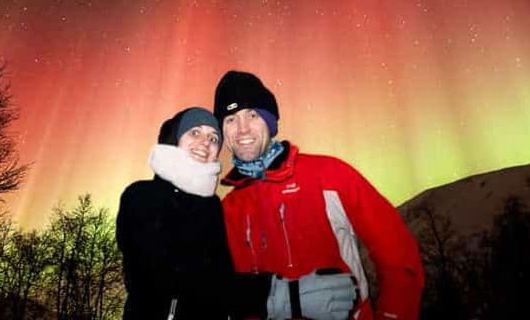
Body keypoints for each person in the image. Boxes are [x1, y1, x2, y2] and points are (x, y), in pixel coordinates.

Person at [213, 70, 424, 320]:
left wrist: (392, 315)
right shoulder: (227, 210)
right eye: (230, 120)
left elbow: (399, 256)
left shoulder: (329, 175)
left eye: (252, 115)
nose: (242, 129)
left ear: (269, 122)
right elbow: (220, 290)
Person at [116, 107, 234, 320]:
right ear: (175, 138)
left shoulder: (214, 207)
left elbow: (222, 278)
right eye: (195, 133)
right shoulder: (140, 195)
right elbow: (149, 269)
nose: (206, 143)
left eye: (214, 138)